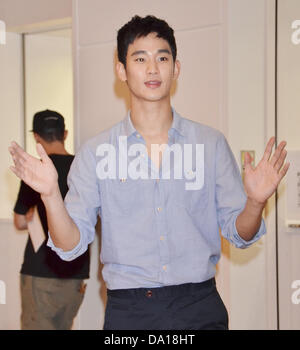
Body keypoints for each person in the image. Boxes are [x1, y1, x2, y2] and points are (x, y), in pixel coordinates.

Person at [9, 16, 289, 330]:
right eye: (140, 58)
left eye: (162, 58)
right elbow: (70, 244)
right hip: (130, 311)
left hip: (199, 306)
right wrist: (50, 196)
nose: (152, 69)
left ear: (176, 68)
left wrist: (254, 203)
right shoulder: (96, 152)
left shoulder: (210, 144)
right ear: (121, 70)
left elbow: (240, 236)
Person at [13, 110, 90, 330]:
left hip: (40, 271)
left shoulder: (36, 171)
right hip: (76, 273)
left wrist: (30, 216)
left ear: (36, 136)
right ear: (64, 133)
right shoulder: (83, 168)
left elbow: (19, 222)